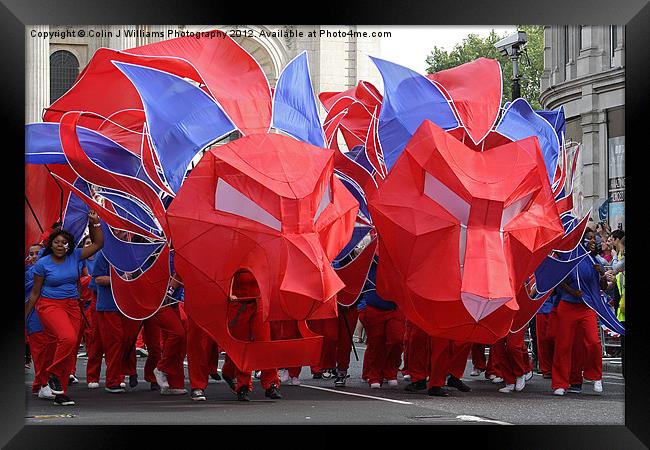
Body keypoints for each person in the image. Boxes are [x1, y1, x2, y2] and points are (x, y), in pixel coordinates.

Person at [24, 211, 104, 406]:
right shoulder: (42, 264)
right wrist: (25, 316)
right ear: (51, 244)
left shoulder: (75, 256)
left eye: (64, 243)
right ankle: (51, 373)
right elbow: (34, 293)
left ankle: (60, 393)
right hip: (49, 305)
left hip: (72, 306)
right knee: (67, 338)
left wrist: (95, 224)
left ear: (69, 245)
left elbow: (98, 244)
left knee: (69, 347)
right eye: (57, 242)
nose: (60, 245)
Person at [551, 238, 607, 396]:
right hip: (567, 306)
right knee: (563, 346)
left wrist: (601, 273)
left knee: (594, 342)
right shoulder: (567, 258)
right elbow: (558, 281)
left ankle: (595, 376)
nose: (592, 244)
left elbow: (602, 286)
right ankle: (560, 383)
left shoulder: (592, 260)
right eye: (589, 242)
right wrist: (571, 291)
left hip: (587, 307)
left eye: (593, 243)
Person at [221, 269, 282, 401]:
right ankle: (242, 386)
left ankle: (271, 384)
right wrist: (229, 292)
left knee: (265, 343)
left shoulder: (261, 252)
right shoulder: (233, 252)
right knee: (241, 346)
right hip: (238, 303)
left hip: (258, 300)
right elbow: (225, 272)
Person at [357, 258, 405, 389]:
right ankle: (374, 375)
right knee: (376, 343)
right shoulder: (372, 255)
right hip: (374, 306)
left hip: (395, 306)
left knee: (397, 340)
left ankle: (390, 371)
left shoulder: (399, 255)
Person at [25, 243, 57, 400]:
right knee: (40, 353)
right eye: (31, 254)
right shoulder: (28, 274)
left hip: (51, 315)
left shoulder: (49, 269)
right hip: (34, 317)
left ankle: (39, 383)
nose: (35, 256)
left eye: (38, 253)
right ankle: (44, 385)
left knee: (50, 352)